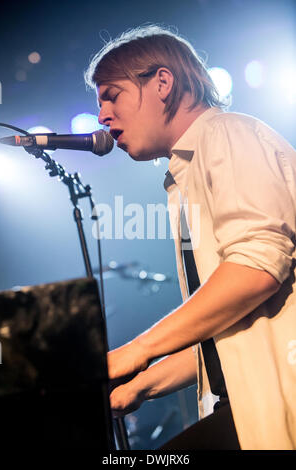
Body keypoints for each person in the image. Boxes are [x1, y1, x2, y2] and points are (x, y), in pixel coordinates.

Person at [85, 25, 296, 450]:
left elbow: (256, 268)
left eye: (112, 95)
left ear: (162, 82)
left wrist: (137, 350)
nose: (103, 116)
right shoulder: (182, 176)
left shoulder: (228, 134)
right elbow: (225, 331)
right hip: (236, 407)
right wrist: (142, 385)